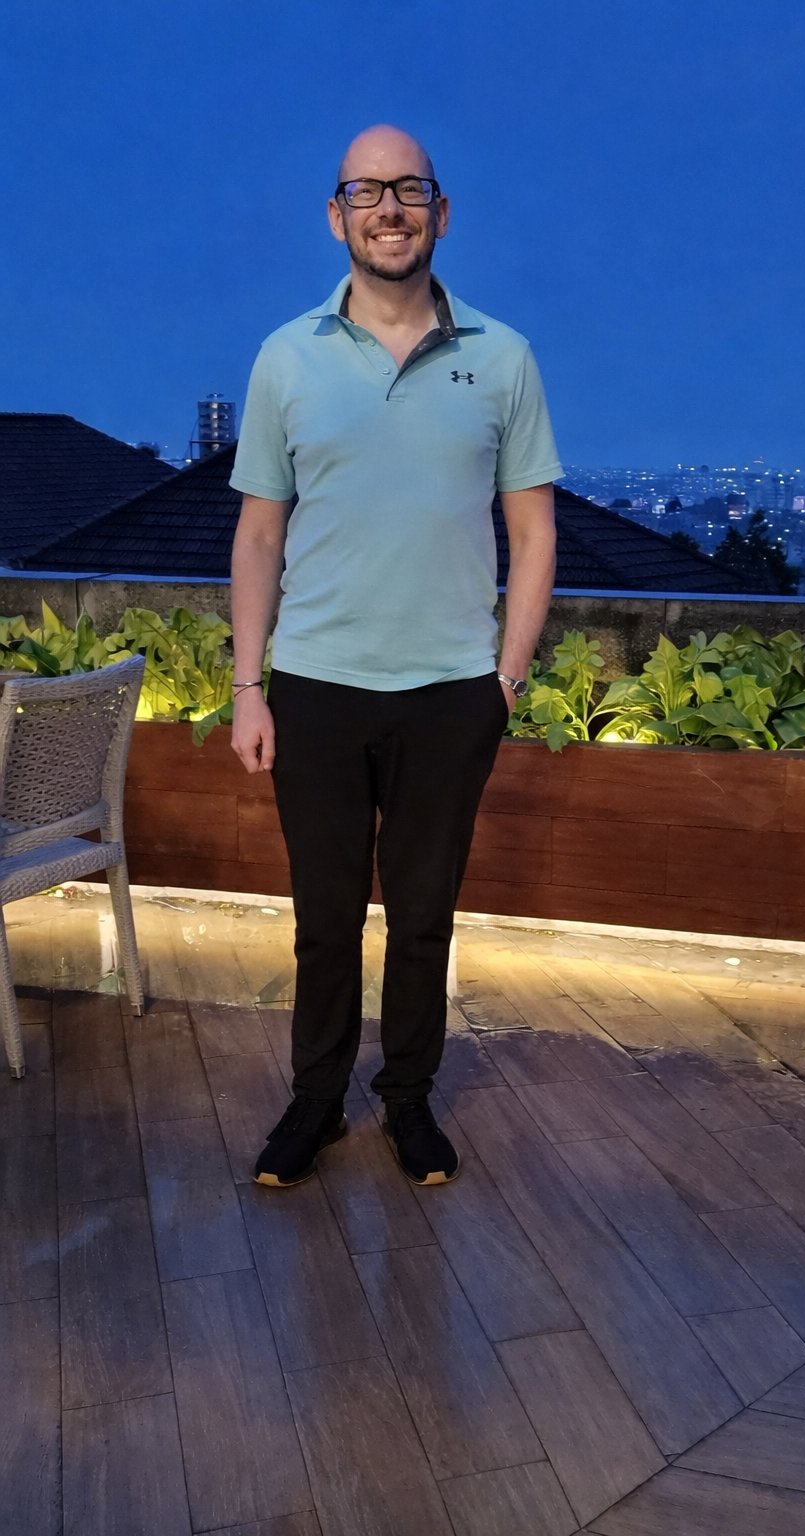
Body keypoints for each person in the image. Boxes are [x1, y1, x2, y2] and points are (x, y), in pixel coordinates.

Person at [229, 124, 561, 1190]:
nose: (389, 208)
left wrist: (502, 682)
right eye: (366, 192)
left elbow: (535, 529)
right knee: (323, 923)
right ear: (336, 217)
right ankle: (314, 1104)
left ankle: (408, 1103)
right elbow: (258, 535)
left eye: (408, 189)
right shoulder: (287, 357)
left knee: (422, 921)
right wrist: (249, 685)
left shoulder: (502, 357)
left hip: (448, 695)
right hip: (316, 687)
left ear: (440, 212)